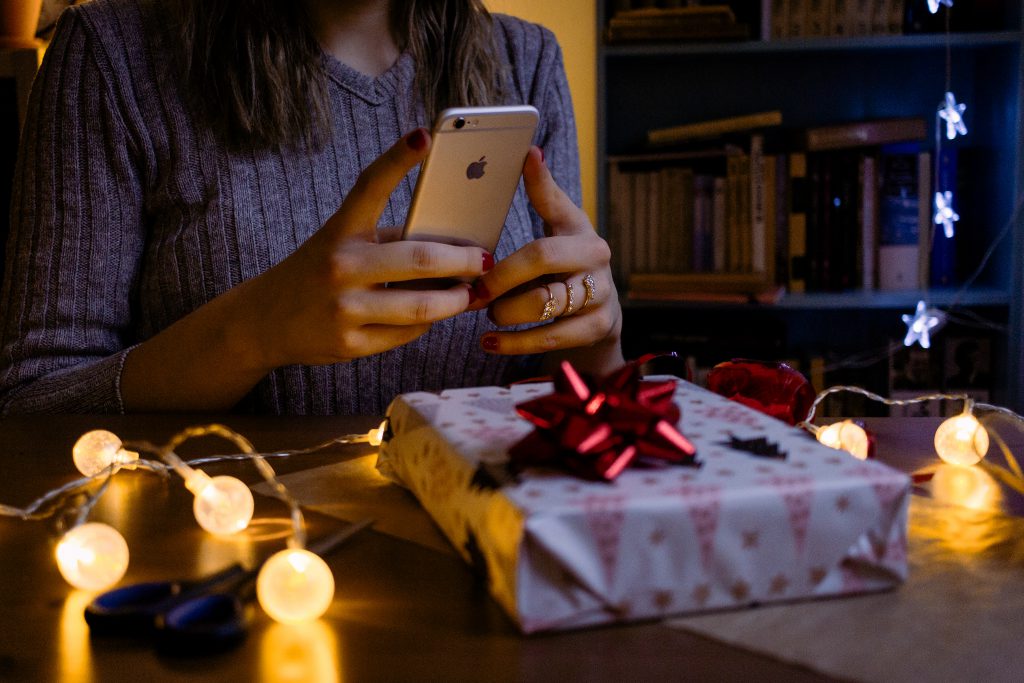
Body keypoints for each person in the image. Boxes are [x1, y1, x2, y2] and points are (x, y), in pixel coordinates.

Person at [0, 0, 623, 415]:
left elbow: (564, 391)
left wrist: (599, 340)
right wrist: (253, 331)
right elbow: (33, 406)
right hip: (232, 567)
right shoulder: (113, 57)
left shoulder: (526, 60)